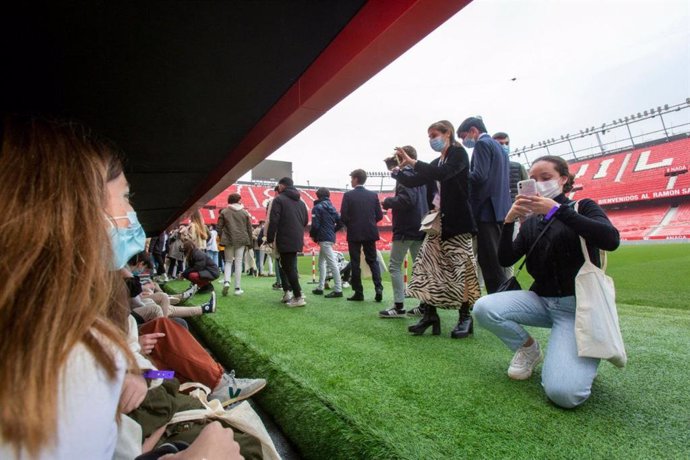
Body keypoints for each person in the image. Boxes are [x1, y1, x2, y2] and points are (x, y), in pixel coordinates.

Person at [0, 116, 241, 458]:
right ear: (73, 209)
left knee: (166, 334)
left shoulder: (75, 318)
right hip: (148, 379)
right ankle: (215, 377)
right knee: (164, 323)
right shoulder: (70, 353)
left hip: (146, 372)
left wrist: (136, 366)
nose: (131, 211)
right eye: (124, 197)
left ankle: (213, 376)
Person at [473, 155, 620, 408]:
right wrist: (508, 222)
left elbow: (610, 239)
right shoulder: (531, 222)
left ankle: (577, 362)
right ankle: (529, 349)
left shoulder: (581, 206)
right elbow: (506, 257)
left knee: (564, 394)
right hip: (541, 301)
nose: (538, 184)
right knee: (484, 307)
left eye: (546, 178)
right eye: (533, 179)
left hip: (577, 308)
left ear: (564, 180)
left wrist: (556, 210)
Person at [395, 120, 481, 338]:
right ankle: (430, 315)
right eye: (429, 136)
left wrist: (413, 162)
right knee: (425, 268)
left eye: (434, 134)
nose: (432, 139)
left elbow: (443, 174)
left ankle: (465, 317)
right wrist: (398, 171)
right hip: (436, 223)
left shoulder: (459, 155)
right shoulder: (436, 161)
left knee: (460, 269)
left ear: (447, 133)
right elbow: (415, 180)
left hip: (458, 223)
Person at [457, 117, 511, 294]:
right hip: (500, 208)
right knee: (495, 259)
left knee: (489, 260)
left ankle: (497, 298)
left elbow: (479, 176)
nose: (465, 142)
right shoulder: (500, 148)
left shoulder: (482, 144)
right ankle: (500, 294)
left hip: (486, 210)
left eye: (464, 136)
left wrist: (459, 172)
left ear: (474, 130)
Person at [379, 145, 428, 318]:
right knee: (419, 266)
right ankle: (424, 306)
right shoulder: (420, 174)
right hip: (421, 226)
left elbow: (407, 200)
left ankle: (399, 306)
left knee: (394, 266)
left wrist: (388, 201)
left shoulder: (406, 175)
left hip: (406, 227)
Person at [340, 169, 384, 302]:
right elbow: (380, 215)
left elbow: (344, 216)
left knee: (355, 262)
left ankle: (359, 292)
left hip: (354, 232)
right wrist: (369, 223)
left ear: (356, 179)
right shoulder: (373, 195)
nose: (350, 180)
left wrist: (352, 224)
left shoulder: (348, 195)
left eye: (352, 178)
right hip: (370, 231)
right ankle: (378, 287)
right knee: (372, 260)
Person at [266, 177, 309, 307]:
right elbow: (306, 221)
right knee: (288, 267)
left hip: (284, 237)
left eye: (279, 186)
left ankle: (298, 296)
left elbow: (274, 220)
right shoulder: (301, 202)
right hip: (297, 237)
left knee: (287, 267)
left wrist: (269, 238)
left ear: (282, 186)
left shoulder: (278, 200)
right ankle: (295, 293)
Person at [310, 187, 344, 298]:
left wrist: (313, 236)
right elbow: (340, 223)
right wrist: (331, 231)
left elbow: (315, 225)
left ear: (318, 196)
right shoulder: (333, 208)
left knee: (332, 263)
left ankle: (338, 289)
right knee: (321, 262)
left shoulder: (317, 207)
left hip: (323, 238)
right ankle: (320, 287)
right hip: (329, 237)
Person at [217, 192, 253, 296]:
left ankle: (227, 281)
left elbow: (218, 227)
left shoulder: (224, 212)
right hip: (241, 240)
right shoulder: (245, 213)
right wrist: (250, 243)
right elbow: (249, 229)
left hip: (228, 240)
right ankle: (237, 288)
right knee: (238, 263)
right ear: (238, 200)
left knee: (228, 262)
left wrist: (222, 237)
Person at [493, 132, 528, 203]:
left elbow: (527, 190)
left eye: (506, 143)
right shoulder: (486, 169)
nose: (504, 146)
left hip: (518, 208)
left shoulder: (518, 167)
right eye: (500, 144)